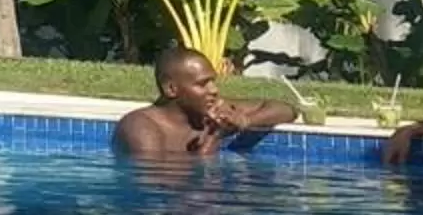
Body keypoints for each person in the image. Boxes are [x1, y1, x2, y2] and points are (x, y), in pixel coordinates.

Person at [113, 47, 296, 157]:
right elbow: (162, 191)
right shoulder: (140, 128)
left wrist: (245, 121)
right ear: (171, 89)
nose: (214, 90)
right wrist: (214, 138)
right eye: (202, 84)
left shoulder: (207, 110)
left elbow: (286, 110)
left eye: (213, 81)